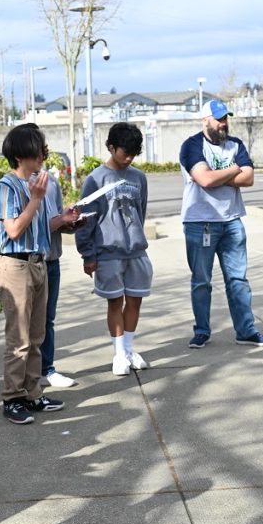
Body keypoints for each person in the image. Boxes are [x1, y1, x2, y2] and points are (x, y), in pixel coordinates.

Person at [0, 123, 76, 424]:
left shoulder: (36, 183)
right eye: (36, 148)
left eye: (42, 148)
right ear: (20, 153)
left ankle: (32, 393)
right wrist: (36, 199)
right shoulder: (8, 186)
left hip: (38, 262)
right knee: (19, 337)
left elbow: (39, 227)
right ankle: (12, 397)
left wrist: (63, 220)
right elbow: (14, 229)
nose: (42, 154)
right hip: (15, 264)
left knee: (37, 334)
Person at [179, 99, 263, 349]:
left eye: (226, 118)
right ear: (205, 121)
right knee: (201, 280)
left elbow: (249, 178)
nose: (224, 123)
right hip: (200, 223)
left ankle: (246, 331)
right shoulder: (191, 146)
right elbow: (205, 180)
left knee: (238, 280)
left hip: (232, 221)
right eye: (219, 119)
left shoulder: (236, 144)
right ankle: (202, 331)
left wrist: (220, 174)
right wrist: (233, 170)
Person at [75, 122, 153, 376]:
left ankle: (129, 349)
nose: (129, 158)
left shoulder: (139, 177)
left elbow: (140, 212)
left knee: (135, 301)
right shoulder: (96, 179)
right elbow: (86, 220)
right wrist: (88, 254)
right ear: (111, 147)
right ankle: (119, 353)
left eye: (133, 153)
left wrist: (136, 237)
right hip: (108, 252)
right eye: (124, 153)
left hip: (136, 251)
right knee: (114, 302)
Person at [39, 169, 81, 387]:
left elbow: (54, 221)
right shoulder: (14, 184)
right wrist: (60, 219)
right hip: (31, 262)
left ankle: (47, 369)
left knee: (47, 319)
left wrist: (70, 222)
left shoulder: (51, 181)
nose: (40, 156)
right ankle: (30, 374)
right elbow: (27, 228)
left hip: (52, 259)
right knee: (28, 323)